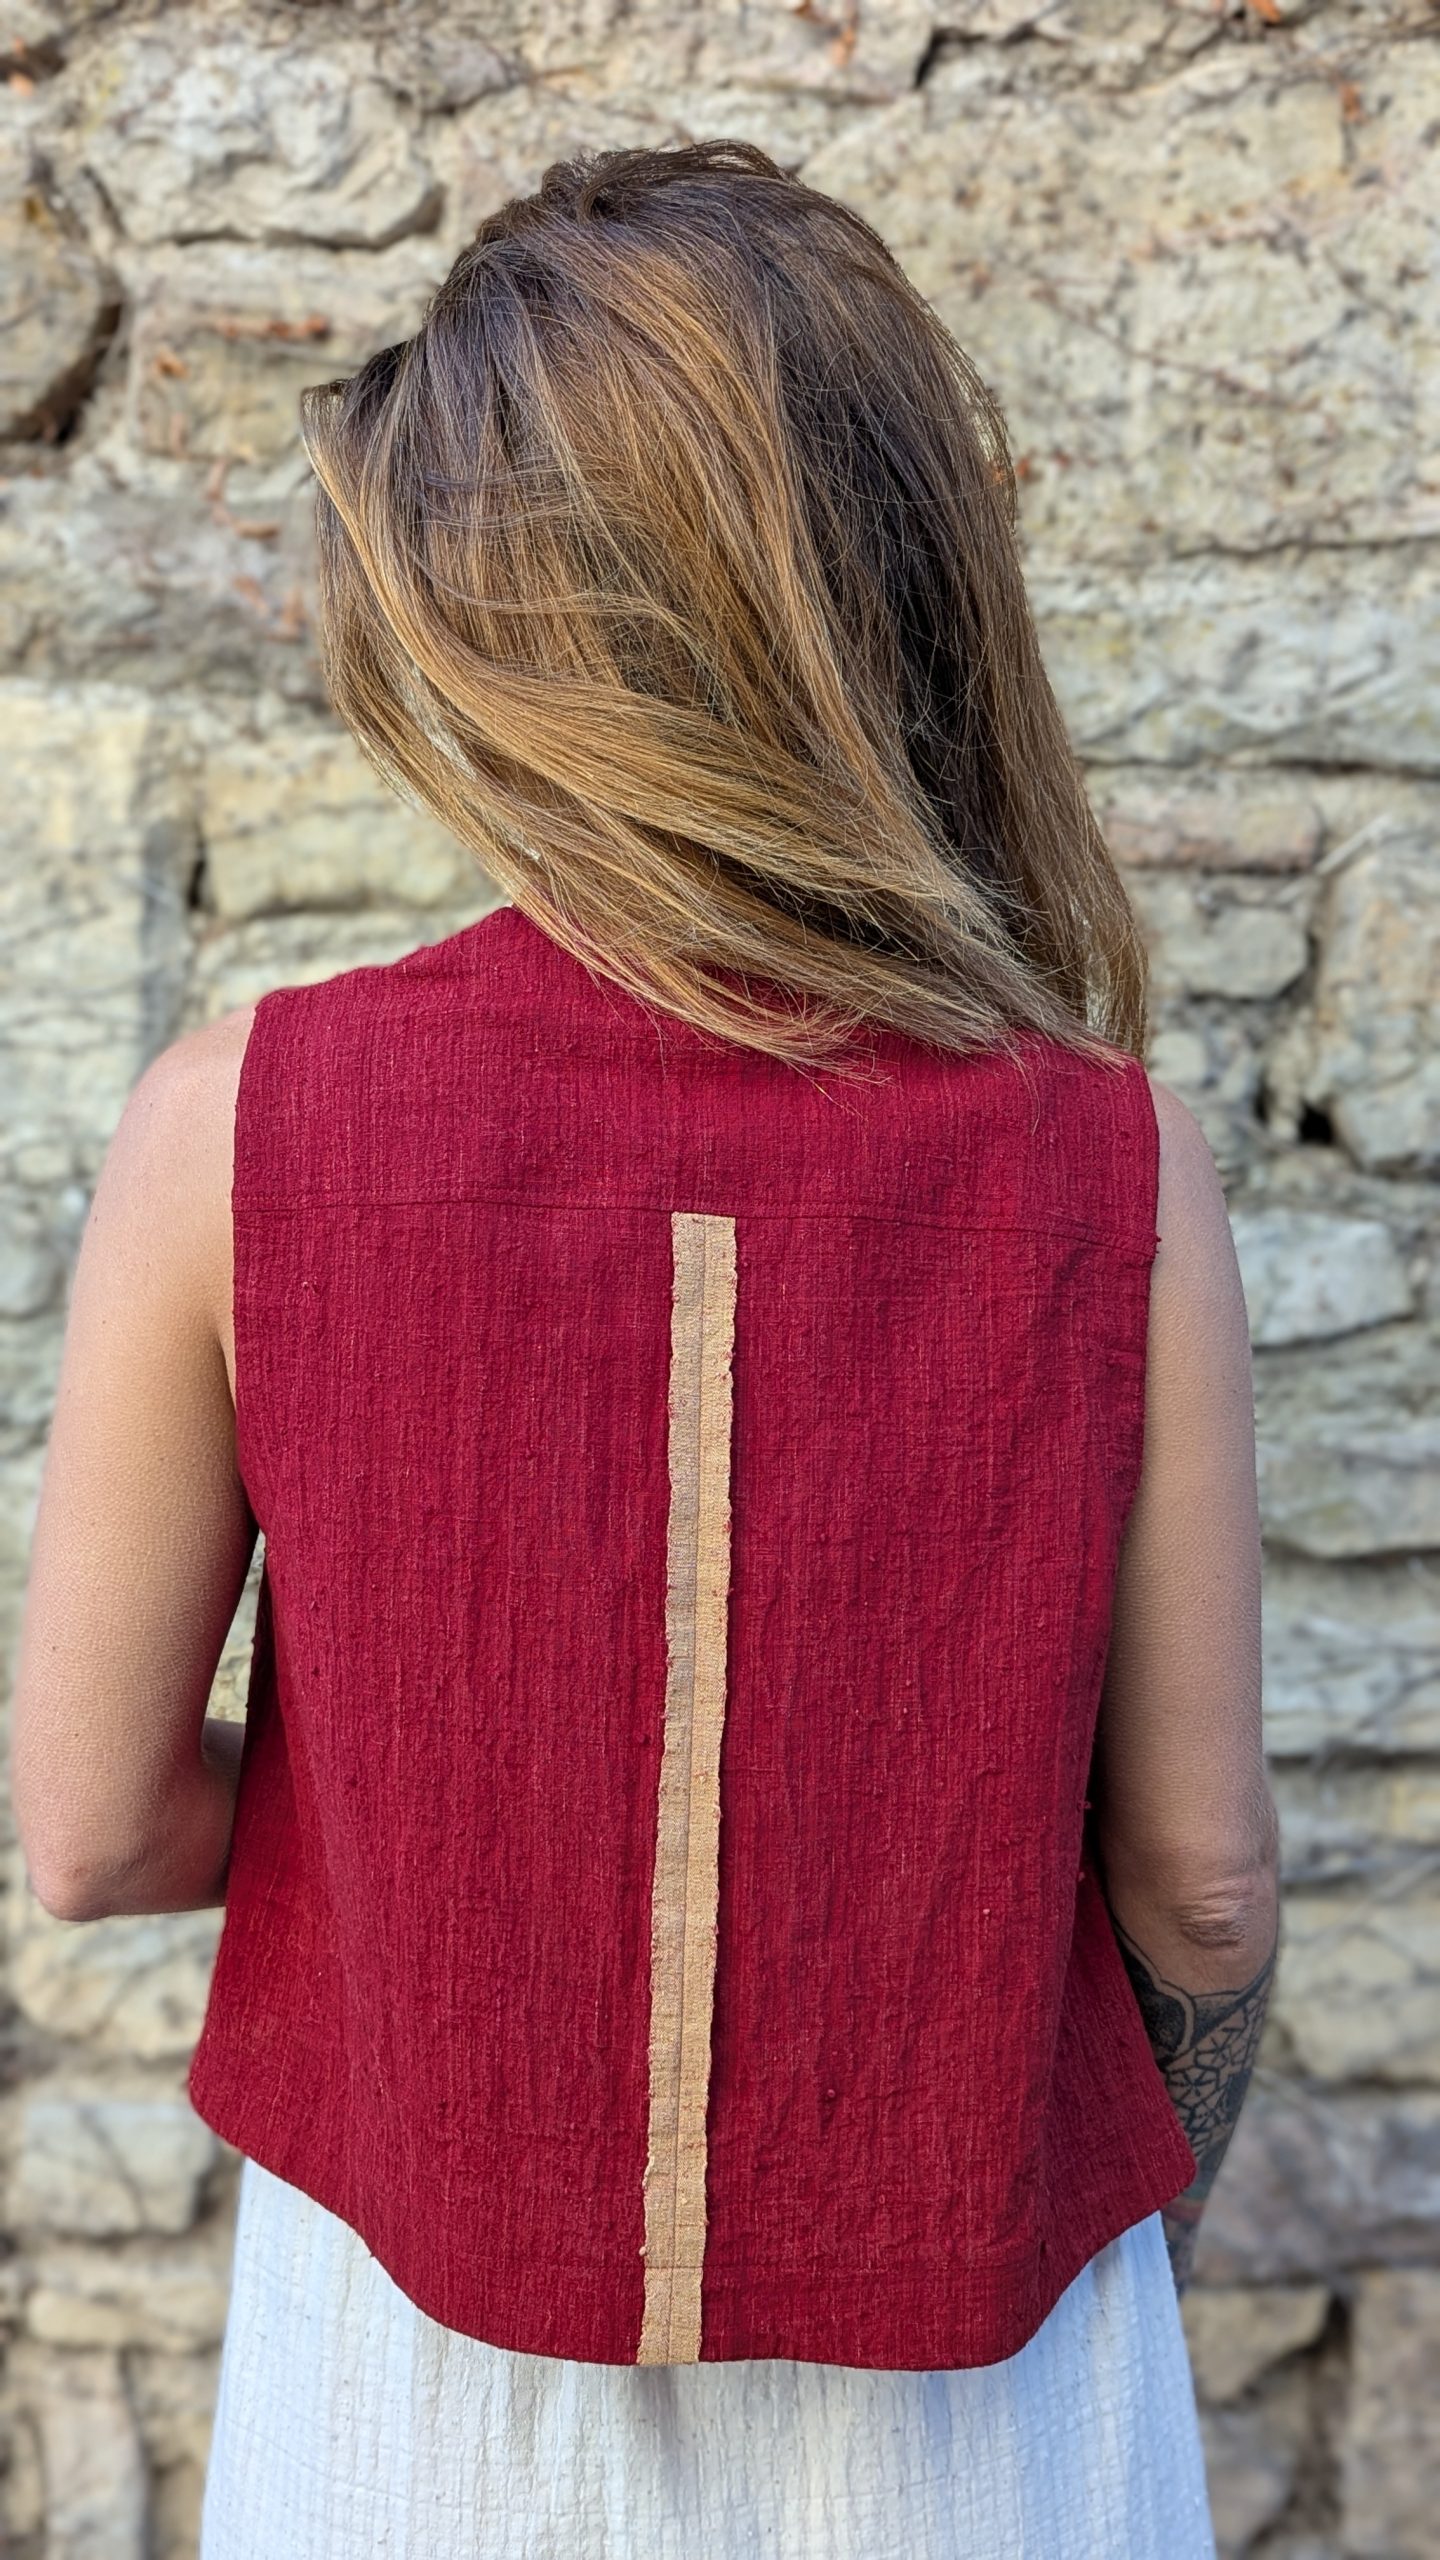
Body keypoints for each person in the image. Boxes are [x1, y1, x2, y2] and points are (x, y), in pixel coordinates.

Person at [10, 140, 1278, 2560]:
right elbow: (1200, 1882)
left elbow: (92, 1828)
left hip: (405, 2404)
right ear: (903, 593)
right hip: (979, 2399)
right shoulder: (1112, 1166)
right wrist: (1145, 2189)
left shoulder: (232, 1129)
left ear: (476, 624)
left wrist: (450, 1845)